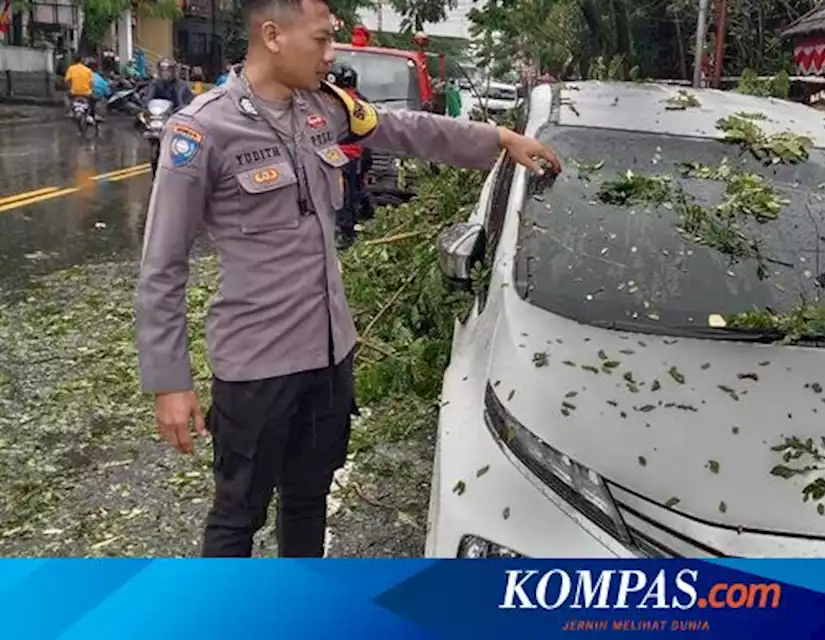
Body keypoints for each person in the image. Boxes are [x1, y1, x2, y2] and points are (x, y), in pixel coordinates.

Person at [134, 0, 559, 558]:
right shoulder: (204, 129)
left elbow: (406, 128)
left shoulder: (323, 109)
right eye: (321, 40)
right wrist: (170, 381)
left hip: (329, 355)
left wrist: (499, 139)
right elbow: (163, 265)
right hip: (256, 367)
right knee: (238, 516)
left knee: (309, 499)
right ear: (272, 36)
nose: (331, 54)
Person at [328, 61, 368, 249]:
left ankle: (346, 232)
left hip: (340, 155)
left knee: (342, 195)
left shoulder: (337, 102)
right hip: (355, 154)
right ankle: (356, 220)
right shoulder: (360, 100)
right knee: (352, 191)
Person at [64, 56, 97, 121]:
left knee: (66, 97)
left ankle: (70, 110)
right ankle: (92, 115)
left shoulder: (71, 68)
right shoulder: (88, 70)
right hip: (86, 93)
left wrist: (70, 88)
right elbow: (92, 84)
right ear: (82, 61)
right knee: (93, 100)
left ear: (73, 61)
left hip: (74, 92)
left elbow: (67, 81)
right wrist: (89, 89)